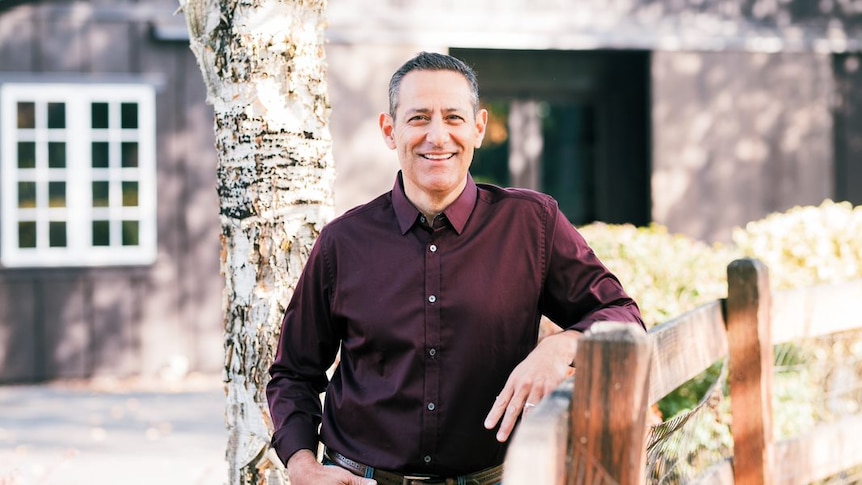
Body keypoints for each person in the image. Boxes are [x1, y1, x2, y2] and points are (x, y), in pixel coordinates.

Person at [266, 51, 645, 485]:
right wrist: (302, 465)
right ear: (390, 131)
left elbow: (623, 315)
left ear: (479, 128)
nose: (437, 136)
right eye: (419, 118)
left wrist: (563, 347)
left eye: (453, 117)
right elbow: (294, 373)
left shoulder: (532, 224)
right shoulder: (342, 242)